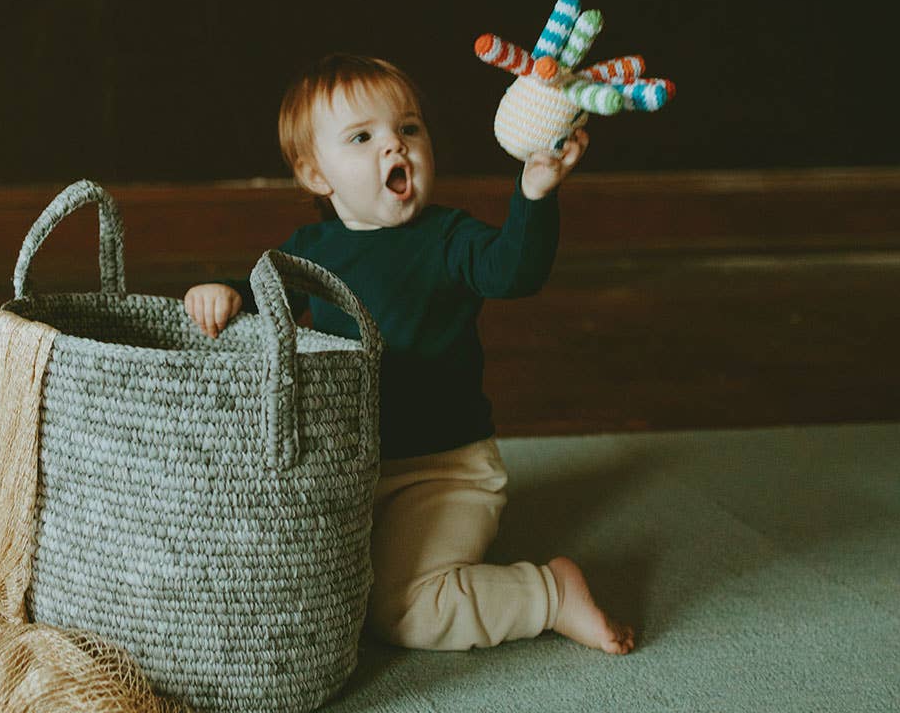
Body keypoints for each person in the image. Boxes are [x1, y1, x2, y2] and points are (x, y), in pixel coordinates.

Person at [184, 53, 634, 656]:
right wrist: (225, 294)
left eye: (409, 129)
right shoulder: (309, 250)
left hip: (444, 470)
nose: (394, 147)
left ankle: (549, 593)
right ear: (317, 174)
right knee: (286, 579)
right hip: (351, 468)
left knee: (403, 611)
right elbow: (266, 304)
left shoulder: (448, 237)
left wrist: (533, 195)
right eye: (363, 137)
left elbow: (514, 272)